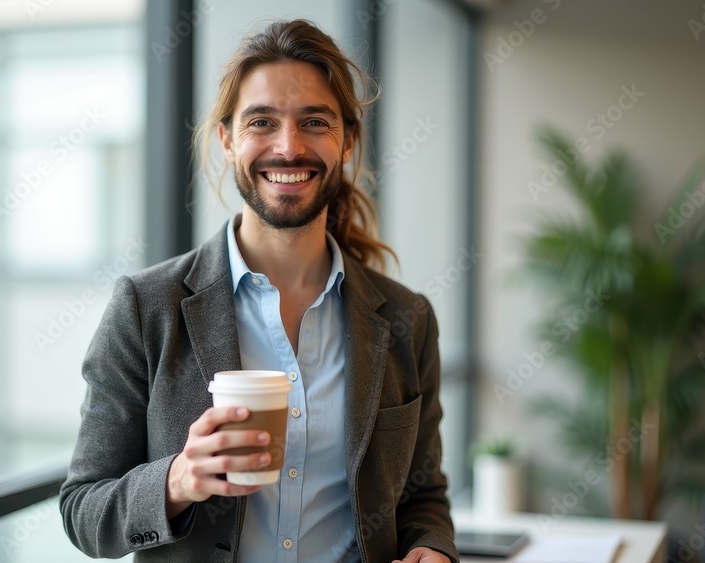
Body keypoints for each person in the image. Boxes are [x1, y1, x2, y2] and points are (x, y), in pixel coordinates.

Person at [60, 19, 458, 563]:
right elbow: (83, 509)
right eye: (262, 122)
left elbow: (424, 494)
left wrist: (433, 547)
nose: (289, 147)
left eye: (315, 122)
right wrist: (176, 481)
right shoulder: (145, 307)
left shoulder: (408, 320)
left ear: (347, 141)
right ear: (227, 140)